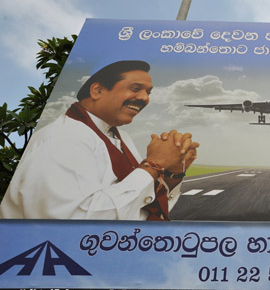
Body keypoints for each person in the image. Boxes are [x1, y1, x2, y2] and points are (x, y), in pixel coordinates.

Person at [0, 60, 199, 220]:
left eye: (148, 92)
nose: (144, 98)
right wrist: (154, 166)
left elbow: (141, 209)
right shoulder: (63, 138)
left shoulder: (119, 138)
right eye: (135, 88)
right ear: (97, 90)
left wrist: (173, 172)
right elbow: (71, 224)